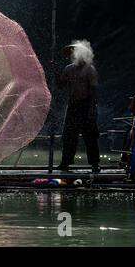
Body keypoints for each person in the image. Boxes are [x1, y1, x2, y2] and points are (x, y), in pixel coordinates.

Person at [56, 40, 101, 173]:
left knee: (90, 136)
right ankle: (66, 162)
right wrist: (55, 72)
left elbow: (94, 90)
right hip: (73, 105)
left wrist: (92, 109)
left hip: (87, 105)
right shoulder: (68, 69)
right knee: (69, 135)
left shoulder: (89, 69)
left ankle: (95, 163)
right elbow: (60, 85)